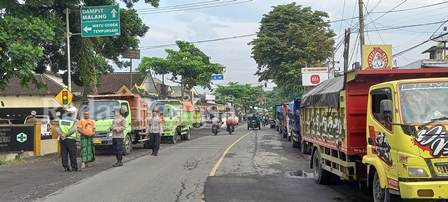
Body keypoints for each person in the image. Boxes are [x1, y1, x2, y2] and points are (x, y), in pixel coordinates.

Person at [56, 107, 78, 172]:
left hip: (62, 139)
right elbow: (73, 130)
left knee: (64, 153)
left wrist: (62, 135)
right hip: (70, 139)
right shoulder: (74, 121)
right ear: (73, 113)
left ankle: (65, 167)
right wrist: (65, 135)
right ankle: (74, 167)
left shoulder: (61, 120)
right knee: (72, 153)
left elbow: (57, 129)